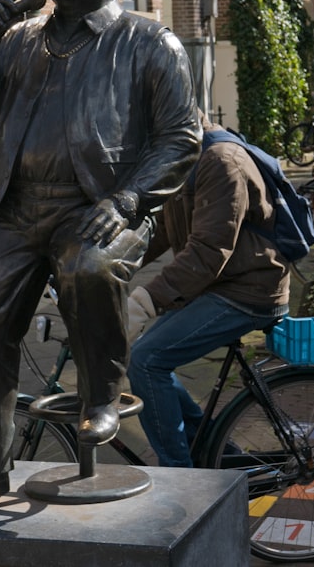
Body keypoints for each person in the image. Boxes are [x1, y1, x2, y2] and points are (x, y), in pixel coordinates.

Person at [0, 0, 201, 523]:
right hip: (17, 209)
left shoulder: (148, 43)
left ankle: (102, 391)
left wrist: (128, 200)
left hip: (105, 207)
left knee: (88, 267)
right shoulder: (20, 40)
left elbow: (182, 138)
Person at [125, 111, 289, 467]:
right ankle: (217, 456)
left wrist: (146, 300)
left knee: (147, 359)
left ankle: (181, 482)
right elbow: (166, 230)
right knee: (151, 359)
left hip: (248, 290)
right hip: (221, 282)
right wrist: (113, 266)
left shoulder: (221, 161)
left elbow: (209, 250)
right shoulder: (186, 158)